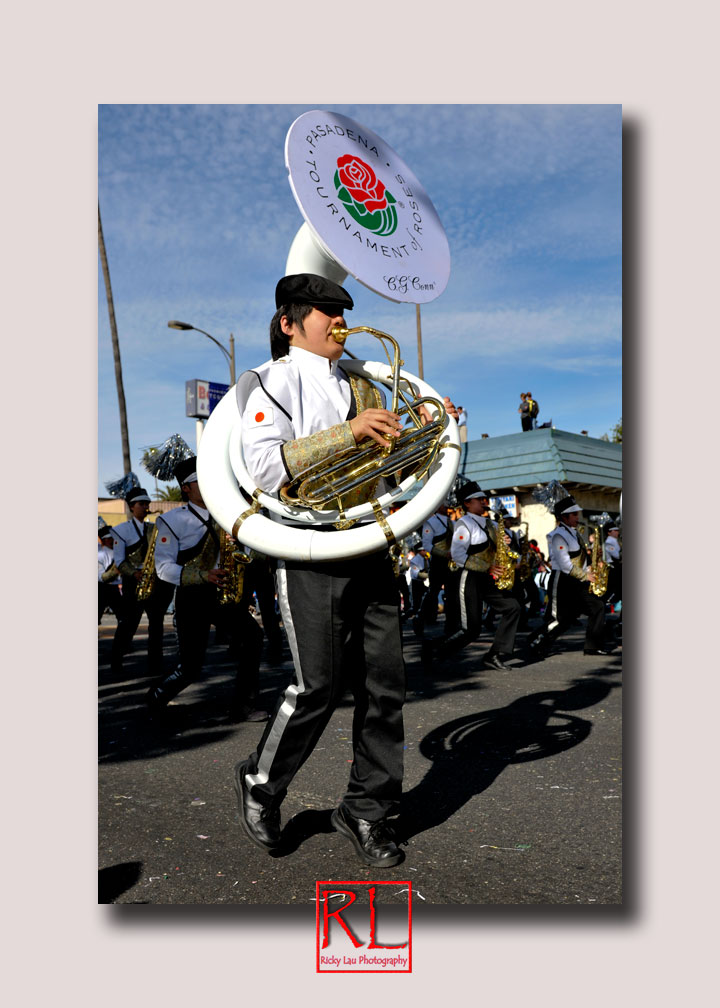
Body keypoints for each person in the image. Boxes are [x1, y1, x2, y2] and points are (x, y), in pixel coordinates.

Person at [232, 272, 413, 868]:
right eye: (324, 311)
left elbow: (380, 469)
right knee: (317, 686)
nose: (339, 319)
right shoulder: (269, 380)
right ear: (289, 323)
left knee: (385, 687)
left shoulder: (362, 383)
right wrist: (349, 432)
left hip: (368, 545)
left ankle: (367, 809)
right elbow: (262, 467)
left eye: (342, 310)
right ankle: (262, 782)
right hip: (307, 546)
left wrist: (411, 440)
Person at [147, 456, 267, 722]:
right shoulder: (171, 521)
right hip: (192, 596)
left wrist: (241, 542)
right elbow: (163, 568)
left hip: (222, 593)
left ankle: (244, 706)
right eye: (197, 481)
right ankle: (155, 696)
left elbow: (245, 552)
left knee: (253, 638)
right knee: (191, 668)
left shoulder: (226, 512)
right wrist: (202, 576)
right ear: (186, 489)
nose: (206, 484)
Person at [422, 482, 522, 673]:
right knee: (471, 630)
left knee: (513, 608)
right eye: (480, 500)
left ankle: (494, 655)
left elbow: (498, 550)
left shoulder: (492, 524)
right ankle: (434, 648)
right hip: (469, 579)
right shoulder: (464, 524)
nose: (485, 503)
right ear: (467, 503)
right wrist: (488, 567)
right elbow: (458, 555)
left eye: (485, 499)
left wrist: (506, 543)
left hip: (488, 577)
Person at [525, 493, 612, 661]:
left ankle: (593, 646)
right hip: (562, 581)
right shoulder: (558, 535)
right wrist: (587, 576)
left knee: (597, 607)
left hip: (578, 580)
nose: (577, 517)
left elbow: (580, 559)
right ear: (564, 517)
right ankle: (535, 641)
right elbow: (565, 565)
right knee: (560, 620)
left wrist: (592, 566)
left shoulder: (574, 533)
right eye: (574, 514)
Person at [110, 487, 173, 677]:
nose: (146, 507)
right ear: (131, 506)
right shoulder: (121, 530)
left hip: (154, 582)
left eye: (147, 504)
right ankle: (116, 662)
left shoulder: (153, 528)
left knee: (157, 624)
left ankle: (155, 664)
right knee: (128, 624)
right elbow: (119, 560)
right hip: (133, 582)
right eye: (141, 504)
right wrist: (135, 574)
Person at [413, 503, 459, 638]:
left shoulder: (453, 522)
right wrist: (445, 554)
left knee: (452, 595)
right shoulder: (431, 522)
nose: (447, 507)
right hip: (438, 563)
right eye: (444, 505)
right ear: (438, 507)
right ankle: (419, 619)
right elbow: (427, 545)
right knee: (433, 592)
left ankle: (451, 626)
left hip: (452, 563)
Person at [98, 524, 122, 624]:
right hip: (101, 588)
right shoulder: (100, 553)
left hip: (115, 588)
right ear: (103, 540)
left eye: (113, 537)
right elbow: (100, 576)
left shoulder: (119, 551)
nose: (112, 540)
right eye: (109, 538)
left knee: (123, 617)